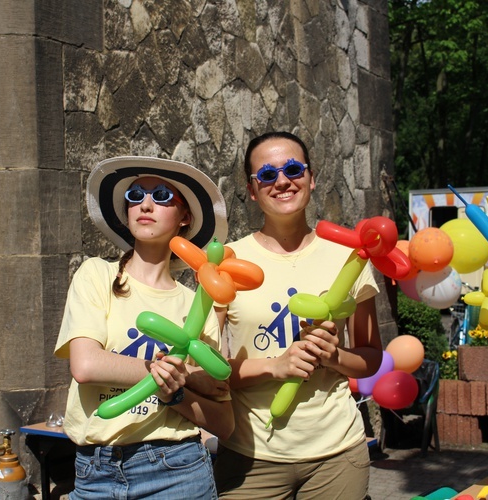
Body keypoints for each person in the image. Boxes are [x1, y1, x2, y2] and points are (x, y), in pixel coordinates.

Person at [213, 131, 383, 499]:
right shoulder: (229, 263)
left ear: (311, 177)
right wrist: (275, 366)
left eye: (293, 169)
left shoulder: (350, 258)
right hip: (250, 454)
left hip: (337, 455)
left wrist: (334, 357)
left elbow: (371, 357)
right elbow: (210, 369)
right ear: (253, 190)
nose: (283, 181)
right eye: (267, 175)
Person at [54, 156, 234, 499]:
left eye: (163, 195)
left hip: (176, 470)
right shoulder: (96, 275)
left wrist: (176, 392)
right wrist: (168, 370)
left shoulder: (198, 306)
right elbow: (86, 365)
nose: (145, 204)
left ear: (185, 218)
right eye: (135, 195)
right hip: (95, 472)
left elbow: (223, 420)